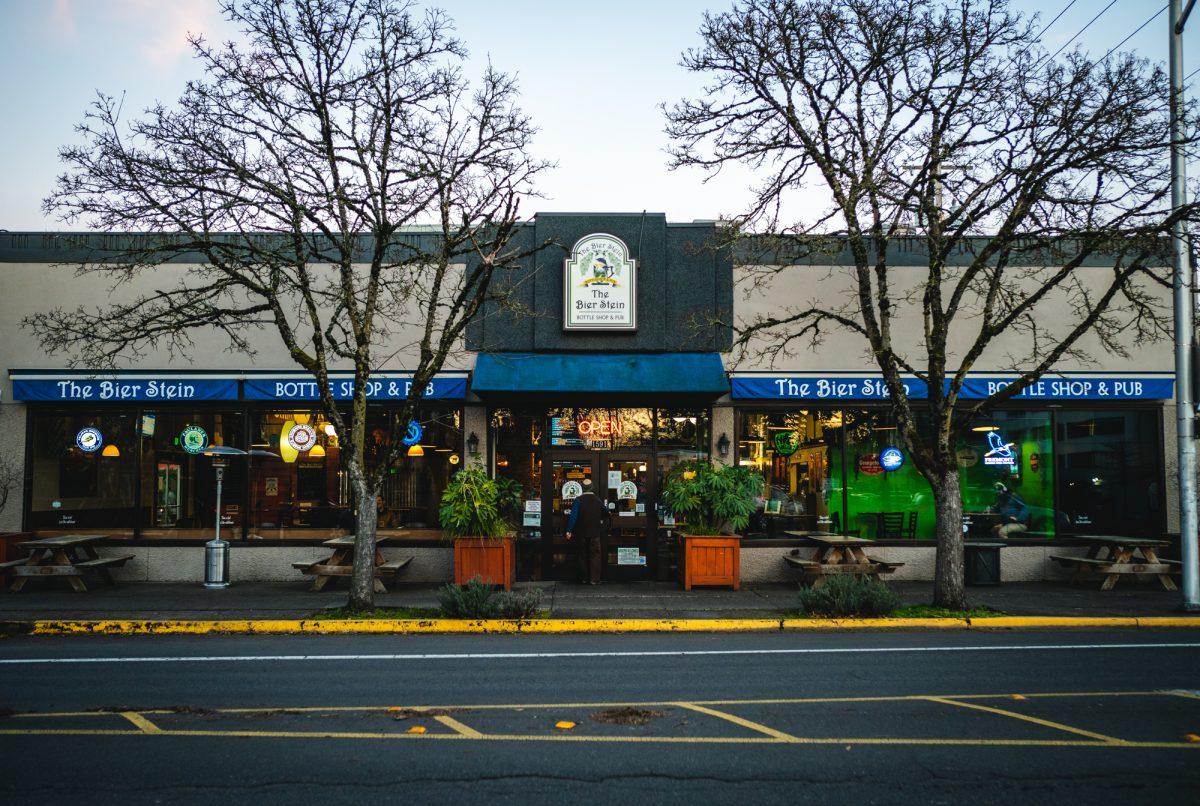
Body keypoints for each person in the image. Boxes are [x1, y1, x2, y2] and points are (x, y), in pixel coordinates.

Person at [565, 478, 607, 585]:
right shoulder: (598, 500)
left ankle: (584, 578)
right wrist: (601, 521)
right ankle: (594, 579)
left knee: (582, 555)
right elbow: (606, 512)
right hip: (595, 533)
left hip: (581, 532)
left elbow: (573, 516)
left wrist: (569, 530)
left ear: (582, 488)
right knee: (595, 555)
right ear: (592, 487)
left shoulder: (578, 500)